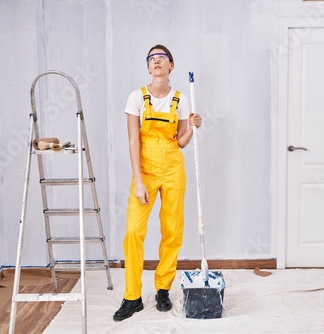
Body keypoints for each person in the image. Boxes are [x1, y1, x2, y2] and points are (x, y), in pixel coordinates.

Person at [113, 45, 202, 322]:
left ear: (171, 65)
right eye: (152, 58)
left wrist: (192, 126)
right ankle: (132, 296)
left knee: (172, 230)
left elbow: (181, 142)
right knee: (133, 232)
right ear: (148, 67)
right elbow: (132, 140)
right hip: (146, 171)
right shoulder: (136, 97)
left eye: (162, 57)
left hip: (174, 169)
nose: (157, 61)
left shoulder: (181, 100)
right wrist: (138, 181)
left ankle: (163, 289)